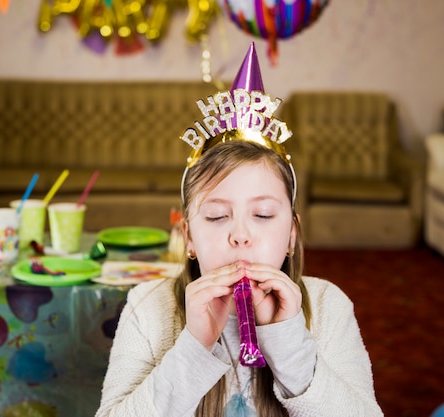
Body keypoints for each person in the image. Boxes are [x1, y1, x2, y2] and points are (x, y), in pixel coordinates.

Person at [95, 43, 383, 417]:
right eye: (216, 217)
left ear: (292, 235)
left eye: (262, 214)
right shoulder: (148, 307)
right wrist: (195, 345)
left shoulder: (329, 306)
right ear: (190, 238)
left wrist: (287, 340)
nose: (241, 235)